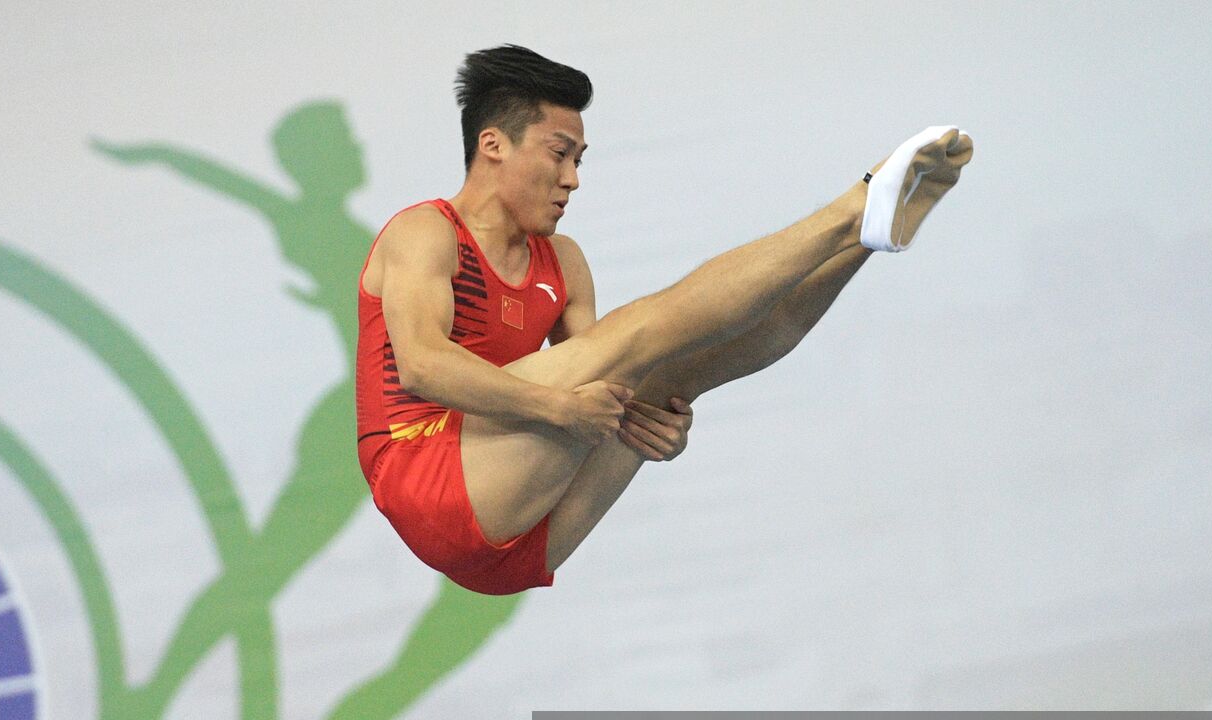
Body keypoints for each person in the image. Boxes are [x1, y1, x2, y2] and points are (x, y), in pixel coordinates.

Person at [355, 44, 973, 596]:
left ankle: (863, 241)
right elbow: (423, 367)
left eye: (580, 159)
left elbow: (607, 387)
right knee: (636, 332)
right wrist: (559, 410)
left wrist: (656, 424)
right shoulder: (425, 232)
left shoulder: (562, 261)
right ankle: (852, 209)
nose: (572, 179)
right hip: (425, 480)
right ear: (494, 144)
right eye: (559, 153)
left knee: (672, 370)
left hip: (524, 546)